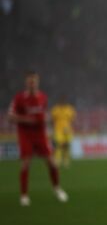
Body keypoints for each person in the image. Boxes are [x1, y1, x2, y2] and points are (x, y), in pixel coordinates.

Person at [8, 71, 68, 206]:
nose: (32, 84)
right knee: (25, 164)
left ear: (37, 82)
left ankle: (57, 189)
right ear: (26, 82)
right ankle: (24, 196)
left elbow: (43, 115)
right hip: (26, 135)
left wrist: (45, 121)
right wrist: (27, 120)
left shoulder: (43, 97)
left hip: (40, 135)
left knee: (52, 163)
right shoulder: (19, 98)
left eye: (34, 81)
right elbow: (10, 116)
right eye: (30, 81)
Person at [50, 98, 76, 167]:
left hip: (68, 130)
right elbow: (52, 120)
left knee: (67, 145)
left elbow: (72, 120)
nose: (63, 102)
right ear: (59, 102)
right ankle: (57, 160)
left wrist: (70, 128)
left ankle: (66, 160)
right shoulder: (55, 109)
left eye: (64, 101)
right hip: (58, 130)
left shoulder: (69, 109)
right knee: (58, 144)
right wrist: (53, 129)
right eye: (61, 101)